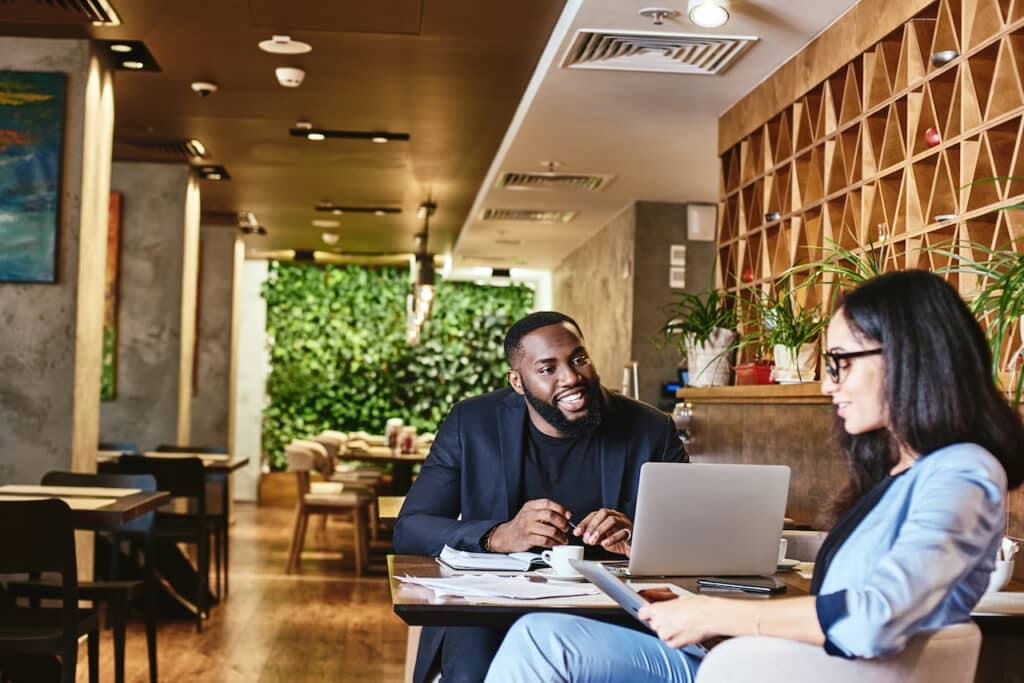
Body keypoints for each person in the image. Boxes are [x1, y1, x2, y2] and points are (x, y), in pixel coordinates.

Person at [484, 270, 1024, 683]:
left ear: (909, 358)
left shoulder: (962, 472)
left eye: (840, 363)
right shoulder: (907, 473)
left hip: (788, 671)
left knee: (545, 645)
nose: (827, 384)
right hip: (772, 661)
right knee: (540, 636)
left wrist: (720, 614)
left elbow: (874, 617)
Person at [394, 311, 687, 683]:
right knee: (471, 671)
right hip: (492, 610)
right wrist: (498, 535)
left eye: (578, 359)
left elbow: (690, 537)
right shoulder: (473, 422)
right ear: (517, 381)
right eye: (547, 369)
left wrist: (641, 537)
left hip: (614, 614)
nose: (571, 378)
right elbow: (410, 527)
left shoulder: (651, 428)